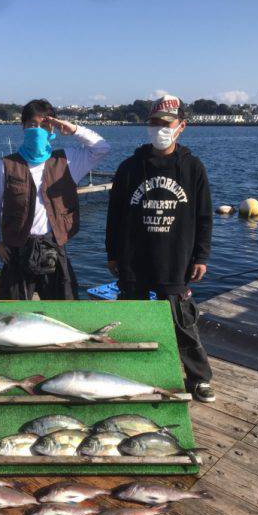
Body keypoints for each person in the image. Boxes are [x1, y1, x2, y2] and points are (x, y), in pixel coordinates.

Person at [105, 94, 214, 402]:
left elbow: (205, 215)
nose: (159, 129)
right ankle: (131, 372)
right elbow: (114, 216)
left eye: (165, 124)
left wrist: (201, 256)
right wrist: (112, 253)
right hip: (134, 259)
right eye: (153, 123)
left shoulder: (193, 168)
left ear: (181, 127)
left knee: (182, 320)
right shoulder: (129, 168)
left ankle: (199, 377)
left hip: (175, 258)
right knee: (133, 318)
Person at [0, 98, 110, 300]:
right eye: (32, 125)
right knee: (12, 315)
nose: (38, 130)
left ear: (52, 129)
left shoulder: (67, 160)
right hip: (17, 248)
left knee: (65, 310)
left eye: (44, 125)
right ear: (23, 126)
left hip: (54, 245)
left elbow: (102, 148)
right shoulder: (6, 165)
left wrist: (73, 129)